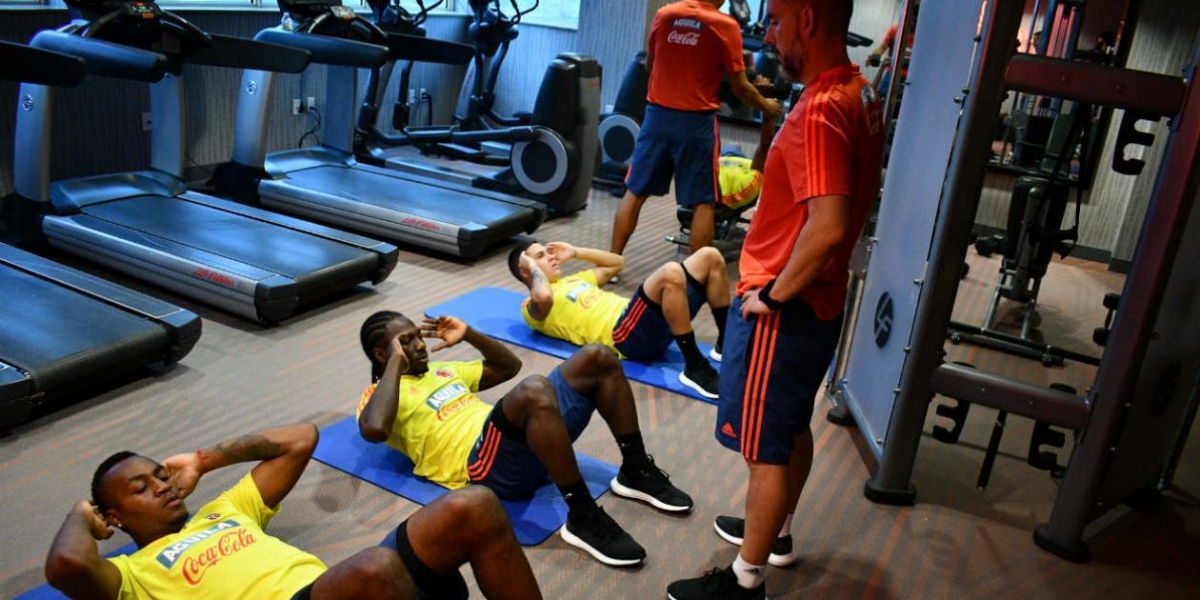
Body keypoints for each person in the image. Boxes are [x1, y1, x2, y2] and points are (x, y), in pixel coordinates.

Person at [667, 0, 884, 598]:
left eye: (779, 21)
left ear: (809, 20)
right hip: (822, 301)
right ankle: (777, 533)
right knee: (789, 428)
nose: (768, 33)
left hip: (785, 307)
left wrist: (773, 295)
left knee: (763, 448)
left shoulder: (819, 110)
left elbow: (830, 225)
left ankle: (744, 581)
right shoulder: (859, 93)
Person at [44, 423, 542, 600]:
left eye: (160, 474)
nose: (162, 485)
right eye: (142, 488)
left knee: (472, 505)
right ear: (114, 518)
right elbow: (66, 566)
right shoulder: (128, 575)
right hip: (360, 586)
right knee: (373, 568)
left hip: (351, 593)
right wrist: (80, 514)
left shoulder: (223, 510)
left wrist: (203, 460)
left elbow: (300, 439)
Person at [358, 311, 693, 568]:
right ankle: (583, 515)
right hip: (482, 469)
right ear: (383, 354)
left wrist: (470, 334)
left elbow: (508, 367)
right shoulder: (379, 394)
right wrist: (394, 368)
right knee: (533, 391)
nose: (419, 345)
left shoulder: (443, 371)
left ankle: (635, 468)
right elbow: (374, 429)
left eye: (418, 336)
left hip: (517, 445)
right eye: (406, 342)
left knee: (598, 356)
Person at [610, 0, 784, 257]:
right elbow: (740, 88)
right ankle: (696, 274)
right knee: (704, 202)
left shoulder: (665, 14)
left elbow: (650, 66)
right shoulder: (725, 25)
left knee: (635, 192)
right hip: (695, 123)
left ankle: (610, 262)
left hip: (657, 117)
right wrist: (766, 105)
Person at [507, 240, 730, 398]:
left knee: (709, 256)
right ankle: (695, 366)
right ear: (525, 270)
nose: (551, 256)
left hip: (647, 322)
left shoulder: (574, 280)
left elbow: (616, 263)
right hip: (625, 337)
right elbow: (543, 295)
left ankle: (725, 344)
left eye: (548, 252)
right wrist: (533, 267)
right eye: (541, 256)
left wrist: (575, 252)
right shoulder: (531, 307)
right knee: (671, 272)